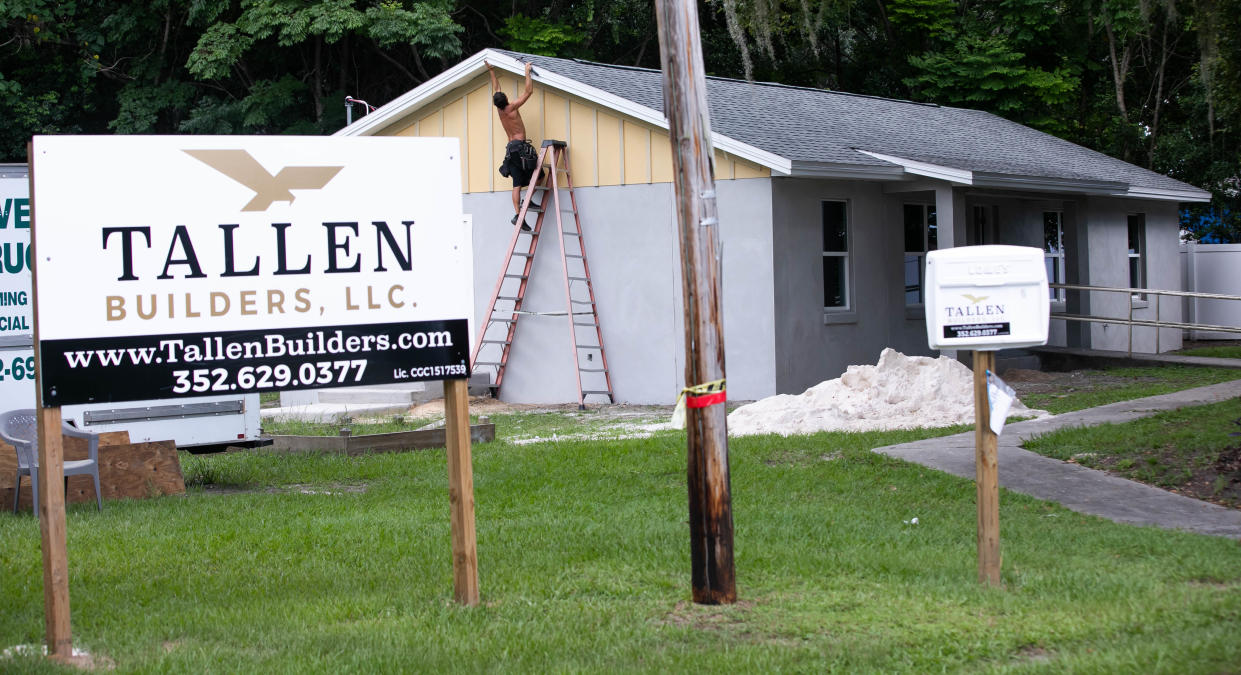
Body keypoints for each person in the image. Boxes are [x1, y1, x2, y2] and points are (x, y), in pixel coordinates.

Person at [487, 61, 541, 231]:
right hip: (520, 148)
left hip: (510, 150)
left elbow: (496, 88)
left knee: (517, 184)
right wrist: (527, 72)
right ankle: (526, 201)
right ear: (507, 100)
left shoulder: (500, 110)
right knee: (539, 174)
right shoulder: (511, 107)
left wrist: (492, 71)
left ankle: (519, 214)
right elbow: (528, 91)